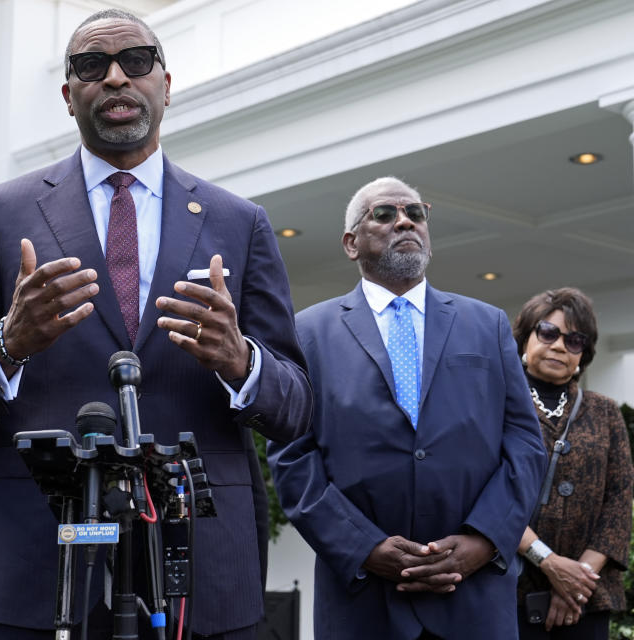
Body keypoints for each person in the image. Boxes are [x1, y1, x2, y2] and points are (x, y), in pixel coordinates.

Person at [0, 8, 312, 640]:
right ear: (69, 96)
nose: (117, 78)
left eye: (138, 61)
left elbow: (297, 407)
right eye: (93, 66)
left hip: (199, 571)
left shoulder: (240, 222)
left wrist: (241, 361)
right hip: (39, 569)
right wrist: (7, 345)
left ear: (166, 83)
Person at [268, 177, 548, 640]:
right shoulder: (308, 332)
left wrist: (483, 541)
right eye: (384, 214)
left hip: (473, 597)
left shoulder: (487, 324)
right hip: (362, 599)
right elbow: (292, 456)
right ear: (350, 243)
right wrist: (365, 547)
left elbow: (524, 444)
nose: (405, 221)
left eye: (416, 213)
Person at [512, 287, 633, 639]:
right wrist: (549, 564)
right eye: (548, 332)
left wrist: (576, 582)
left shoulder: (605, 411)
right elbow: (483, 492)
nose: (560, 345)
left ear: (584, 352)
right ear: (525, 339)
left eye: (575, 340)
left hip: (587, 596)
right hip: (513, 585)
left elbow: (618, 505)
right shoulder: (497, 404)